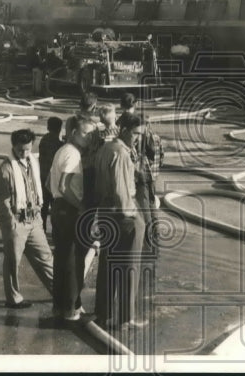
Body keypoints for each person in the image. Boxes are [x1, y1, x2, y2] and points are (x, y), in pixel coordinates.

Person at [92, 112, 148, 329]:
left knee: (108, 264)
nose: (138, 138)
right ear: (124, 130)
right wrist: (132, 216)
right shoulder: (121, 154)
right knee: (129, 268)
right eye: (136, 134)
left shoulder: (106, 148)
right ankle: (126, 318)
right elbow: (121, 189)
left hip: (106, 211)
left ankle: (103, 314)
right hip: (123, 215)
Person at [0, 129, 55, 309]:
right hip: (16, 221)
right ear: (13, 146)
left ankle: (59, 292)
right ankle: (13, 298)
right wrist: (11, 224)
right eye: (21, 150)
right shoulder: (5, 170)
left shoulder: (33, 162)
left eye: (28, 149)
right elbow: (2, 202)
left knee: (46, 258)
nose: (25, 153)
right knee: (13, 261)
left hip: (34, 220)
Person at [48, 117, 96, 321]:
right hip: (69, 210)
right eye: (86, 133)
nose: (89, 138)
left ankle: (59, 307)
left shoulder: (62, 150)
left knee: (61, 259)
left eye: (92, 134)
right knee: (73, 262)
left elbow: (49, 183)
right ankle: (71, 310)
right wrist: (81, 207)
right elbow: (63, 187)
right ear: (74, 132)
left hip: (59, 209)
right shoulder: (72, 154)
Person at [118, 93, 164, 259]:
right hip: (148, 173)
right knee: (150, 205)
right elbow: (158, 155)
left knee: (144, 208)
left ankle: (148, 244)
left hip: (140, 173)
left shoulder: (129, 124)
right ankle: (153, 239)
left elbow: (134, 151)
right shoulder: (147, 129)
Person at [37, 116, 64, 233]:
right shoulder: (59, 144)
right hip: (53, 179)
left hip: (43, 175)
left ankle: (41, 229)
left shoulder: (44, 140)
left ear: (48, 127)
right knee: (55, 208)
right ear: (60, 129)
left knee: (43, 206)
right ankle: (56, 232)